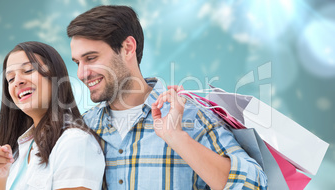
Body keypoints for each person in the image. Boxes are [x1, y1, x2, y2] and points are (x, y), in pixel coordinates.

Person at [67, 5, 268, 189]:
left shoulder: (191, 117)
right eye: (77, 62)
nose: (81, 74)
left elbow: (255, 184)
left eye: (91, 58)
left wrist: (178, 138)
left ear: (128, 48)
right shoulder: (83, 127)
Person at [0, 41, 105, 190]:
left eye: (28, 71)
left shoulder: (74, 141)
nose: (17, 82)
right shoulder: (16, 153)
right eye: (10, 79)